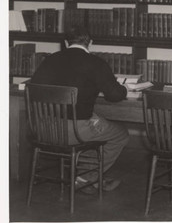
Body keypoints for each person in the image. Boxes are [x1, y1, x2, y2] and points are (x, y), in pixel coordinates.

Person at [31, 25, 129, 194]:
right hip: (76, 131)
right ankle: (86, 177)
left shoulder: (49, 60)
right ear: (90, 42)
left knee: (94, 120)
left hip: (43, 128)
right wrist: (125, 88)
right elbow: (114, 95)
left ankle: (84, 174)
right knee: (120, 135)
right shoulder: (96, 63)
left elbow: (33, 89)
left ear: (65, 42)